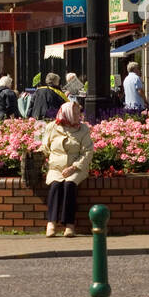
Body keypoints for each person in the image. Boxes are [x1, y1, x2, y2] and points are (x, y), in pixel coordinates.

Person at [41, 100, 93, 237]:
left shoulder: (83, 129)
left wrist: (74, 167)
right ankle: (51, 223)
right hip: (56, 167)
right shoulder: (52, 127)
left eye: (79, 113)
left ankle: (69, 225)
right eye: (75, 113)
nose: (78, 116)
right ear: (67, 113)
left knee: (69, 185)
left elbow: (87, 152)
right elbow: (44, 148)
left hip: (76, 167)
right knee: (55, 186)